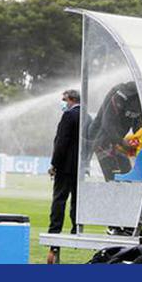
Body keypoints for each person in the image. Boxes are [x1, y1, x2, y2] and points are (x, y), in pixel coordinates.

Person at [46, 89, 82, 264]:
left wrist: (54, 164)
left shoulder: (69, 116)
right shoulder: (86, 117)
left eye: (64, 99)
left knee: (59, 199)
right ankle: (76, 228)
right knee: (77, 199)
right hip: (79, 167)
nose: (62, 102)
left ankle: (54, 232)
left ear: (72, 99)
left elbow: (61, 142)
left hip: (65, 167)